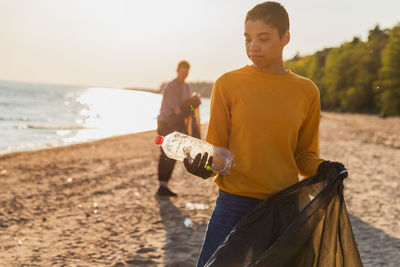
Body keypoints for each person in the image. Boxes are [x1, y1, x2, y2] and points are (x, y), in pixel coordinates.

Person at [183, 2, 347, 266]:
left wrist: (324, 167)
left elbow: (303, 156)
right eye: (247, 39)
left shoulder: (307, 91)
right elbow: (218, 152)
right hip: (233, 206)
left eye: (263, 38)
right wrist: (205, 167)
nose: (252, 47)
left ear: (285, 38)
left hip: (284, 209)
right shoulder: (228, 84)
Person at [156, 60, 201, 197]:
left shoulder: (186, 86)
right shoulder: (170, 87)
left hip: (177, 123)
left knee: (173, 155)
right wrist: (190, 106)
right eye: (182, 71)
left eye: (186, 72)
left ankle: (165, 186)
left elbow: (187, 107)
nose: (184, 74)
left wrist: (194, 103)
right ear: (177, 70)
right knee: (165, 154)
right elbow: (177, 110)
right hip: (166, 123)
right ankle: (161, 186)